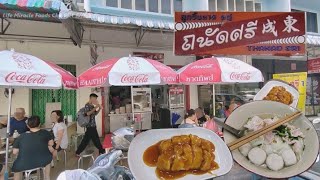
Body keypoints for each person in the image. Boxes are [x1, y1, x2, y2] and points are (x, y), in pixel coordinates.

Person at [12, 116, 54, 180]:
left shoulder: (21, 136)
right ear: (40, 124)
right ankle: (47, 177)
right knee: (48, 158)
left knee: (17, 168)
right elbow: (51, 144)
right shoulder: (46, 133)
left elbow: (14, 152)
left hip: (24, 163)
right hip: (43, 161)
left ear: (28, 125)